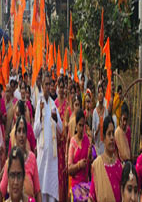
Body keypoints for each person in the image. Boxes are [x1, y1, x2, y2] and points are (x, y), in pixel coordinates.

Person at [0, 116, 41, 202]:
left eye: (23, 131)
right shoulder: (11, 160)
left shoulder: (32, 158)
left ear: (26, 135)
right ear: (15, 135)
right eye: (19, 131)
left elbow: (37, 190)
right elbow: (1, 190)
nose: (21, 135)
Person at [34, 74, 62, 202]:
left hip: (52, 157)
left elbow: (61, 129)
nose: (47, 87)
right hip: (42, 155)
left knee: (51, 193)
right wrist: (39, 117)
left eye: (49, 84)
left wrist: (56, 120)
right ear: (42, 86)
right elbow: (35, 132)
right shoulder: (39, 104)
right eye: (45, 84)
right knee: (41, 192)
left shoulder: (53, 105)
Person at [89, 116, 122, 202]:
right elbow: (92, 197)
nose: (112, 138)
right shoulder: (97, 165)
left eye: (113, 134)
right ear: (103, 138)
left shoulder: (119, 165)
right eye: (109, 134)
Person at [67, 109, 91, 201]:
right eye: (79, 125)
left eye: (83, 125)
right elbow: (69, 169)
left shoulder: (87, 140)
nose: (81, 128)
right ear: (76, 126)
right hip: (76, 185)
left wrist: (90, 157)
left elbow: (90, 162)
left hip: (85, 184)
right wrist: (78, 165)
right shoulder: (73, 142)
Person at [55, 77, 69, 202]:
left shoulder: (67, 105)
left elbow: (67, 124)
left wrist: (63, 137)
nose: (61, 89)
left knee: (64, 170)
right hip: (56, 144)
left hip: (64, 144)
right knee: (57, 171)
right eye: (59, 87)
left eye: (63, 87)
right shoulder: (54, 104)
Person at [92, 83, 108, 156]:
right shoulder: (95, 112)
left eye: (102, 92)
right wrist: (97, 129)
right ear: (97, 96)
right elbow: (93, 132)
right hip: (97, 144)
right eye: (99, 92)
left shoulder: (106, 111)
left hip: (104, 144)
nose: (100, 94)